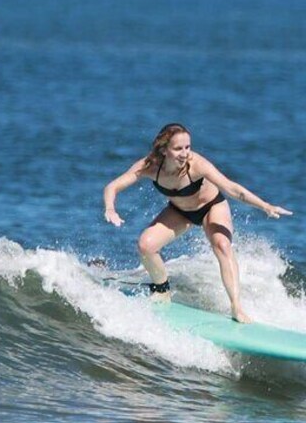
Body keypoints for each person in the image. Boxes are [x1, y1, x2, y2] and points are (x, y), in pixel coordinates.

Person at [103, 123, 292, 323]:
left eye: (187, 147)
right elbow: (112, 186)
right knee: (145, 245)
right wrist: (110, 208)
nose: (185, 153)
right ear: (164, 150)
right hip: (180, 212)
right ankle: (162, 289)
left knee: (222, 245)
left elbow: (233, 189)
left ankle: (237, 307)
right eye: (178, 148)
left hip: (211, 207)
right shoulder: (150, 166)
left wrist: (265, 206)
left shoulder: (197, 165)